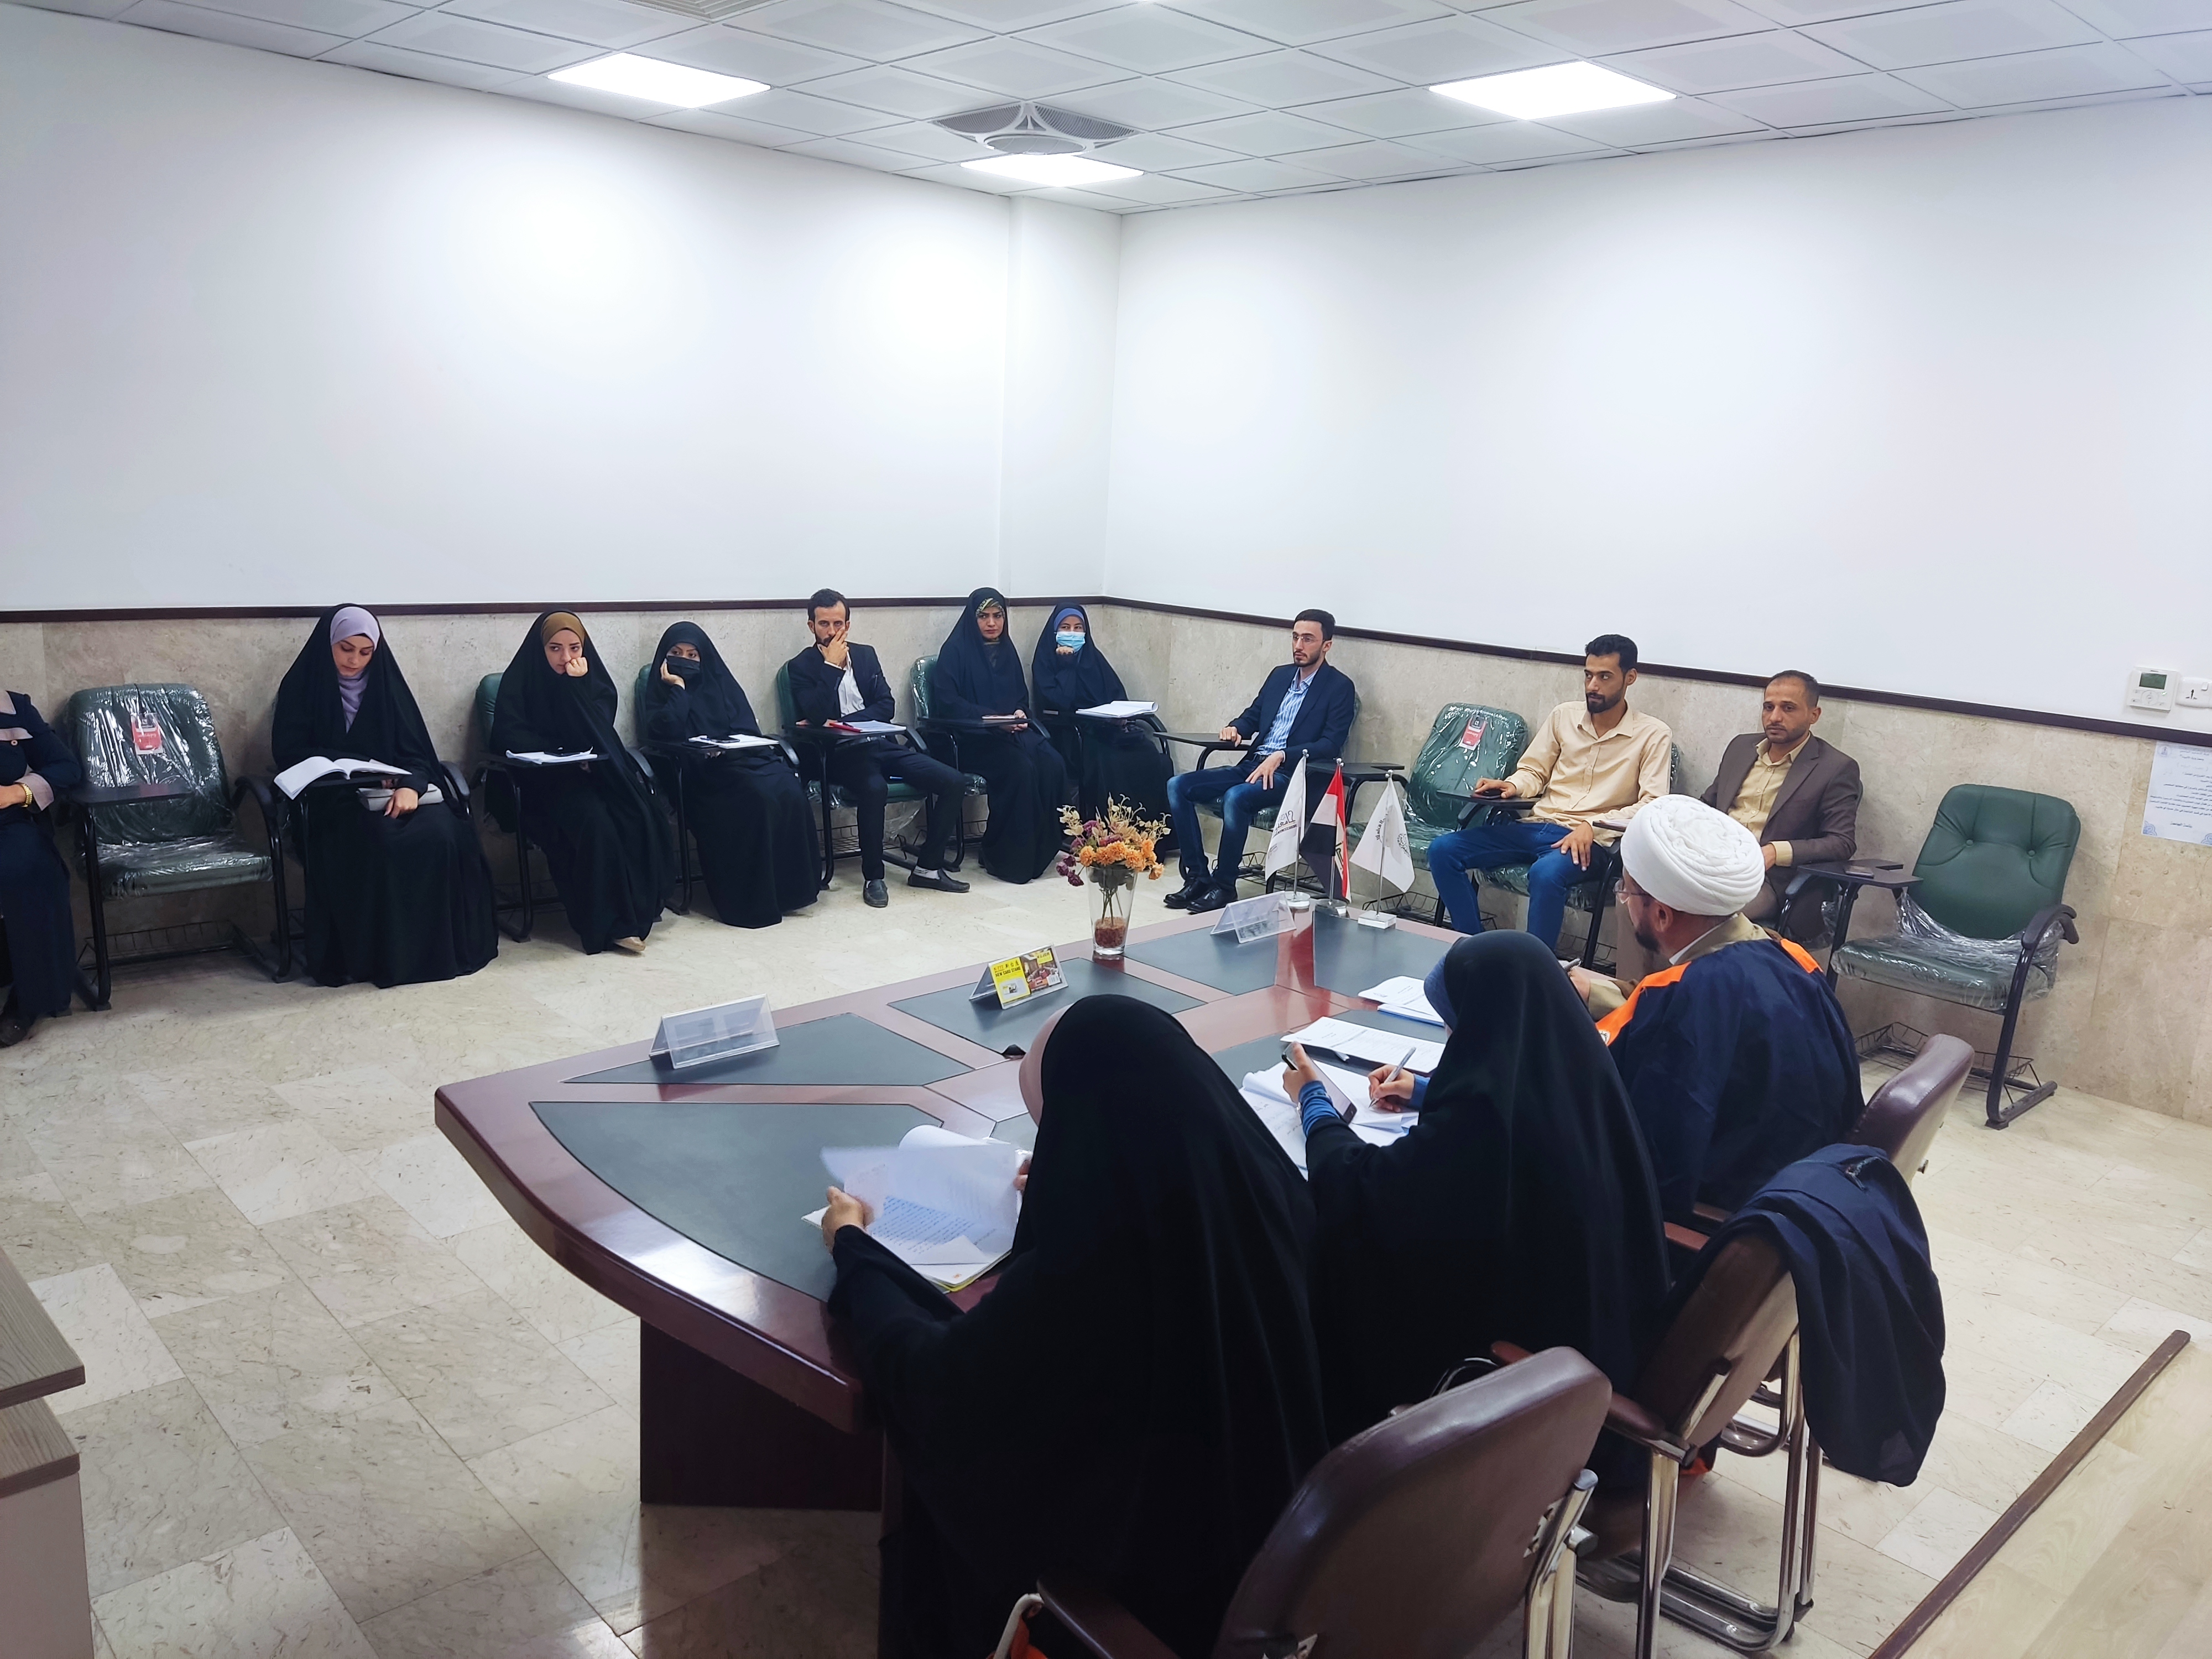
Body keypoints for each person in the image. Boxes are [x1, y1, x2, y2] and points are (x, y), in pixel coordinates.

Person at [821, 997, 1328, 1659]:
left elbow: (933, 1385)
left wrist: (855, 1249)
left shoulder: (1090, 1278)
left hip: (1145, 1596)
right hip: (1272, 1548)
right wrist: (1066, 1181)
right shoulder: (1272, 1196)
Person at [1286, 932, 1671, 1443]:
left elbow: (1368, 1190)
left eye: (1456, 1027)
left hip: (1528, 1391)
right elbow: (1517, 1108)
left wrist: (1314, 1101)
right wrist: (1426, 1091)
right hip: (1603, 1343)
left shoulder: (1476, 1133)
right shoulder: (1587, 1083)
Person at [1568, 794, 1863, 1223]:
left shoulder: (1682, 1000)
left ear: (1662, 915)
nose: (1625, 901)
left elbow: (1643, 1162)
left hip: (1725, 1224)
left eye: (1627, 891)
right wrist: (1596, 992)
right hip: (1807, 1197)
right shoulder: (1794, 960)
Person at [272, 607, 498, 988]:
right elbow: (289, 752)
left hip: (394, 793)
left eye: (365, 653)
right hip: (333, 803)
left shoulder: (386, 688)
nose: (354, 661)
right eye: (345, 649)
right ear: (328, 645)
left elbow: (416, 752)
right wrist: (349, 766)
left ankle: (436, 954)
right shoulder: (301, 687)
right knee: (381, 841)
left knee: (443, 833)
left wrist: (411, 785)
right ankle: (384, 958)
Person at [1423, 633, 1672, 950]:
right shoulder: (1563, 716)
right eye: (1588, 675)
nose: (1593, 686)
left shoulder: (1653, 734)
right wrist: (1513, 785)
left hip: (1589, 843)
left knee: (1545, 873)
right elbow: (1534, 770)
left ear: (1630, 678)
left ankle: (1534, 968)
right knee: (1443, 850)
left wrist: (1593, 826)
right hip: (1536, 826)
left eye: (1605, 677)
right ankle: (1475, 950)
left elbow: (1652, 804)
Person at [489, 612, 674, 955]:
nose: (566, 658)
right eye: (555, 649)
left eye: (575, 648)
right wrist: (560, 751)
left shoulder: (596, 686)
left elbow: (597, 732)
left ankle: (639, 909)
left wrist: (576, 688)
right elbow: (509, 737)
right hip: (542, 785)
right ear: (540, 650)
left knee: (635, 812)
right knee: (595, 822)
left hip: (593, 776)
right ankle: (609, 925)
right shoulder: (520, 683)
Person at [785, 589, 969, 910]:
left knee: (953, 781)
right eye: (824, 624)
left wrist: (843, 721)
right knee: (874, 788)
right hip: (838, 754)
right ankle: (874, 877)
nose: (832, 631)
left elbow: (886, 705)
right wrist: (831, 667)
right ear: (811, 625)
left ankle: (927, 868)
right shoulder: (801, 666)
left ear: (848, 625)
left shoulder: (866, 655)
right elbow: (815, 715)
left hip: (879, 743)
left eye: (838, 624)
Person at [1164, 609, 1355, 916]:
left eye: (1308, 639)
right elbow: (1254, 715)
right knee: (1178, 785)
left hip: (1293, 775)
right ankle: (1199, 877)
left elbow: (1331, 743)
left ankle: (1224, 885)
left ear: (1327, 645)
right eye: (1295, 637)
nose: (1299, 645)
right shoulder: (1280, 676)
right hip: (1253, 763)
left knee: (1237, 797)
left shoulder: (1339, 687)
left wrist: (1283, 755)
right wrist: (1236, 727)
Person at [639, 622, 818, 929]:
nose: (684, 660)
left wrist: (729, 747)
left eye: (692, 655)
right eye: (676, 654)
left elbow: (746, 728)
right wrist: (679, 689)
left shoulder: (720, 682)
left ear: (704, 658)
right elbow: (664, 731)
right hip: (698, 775)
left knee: (788, 788)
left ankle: (791, 893)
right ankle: (752, 902)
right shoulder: (660, 692)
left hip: (739, 761)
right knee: (756, 798)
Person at [1699, 671, 1861, 940]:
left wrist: (1776, 852)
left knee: (1697, 913)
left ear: (1814, 715)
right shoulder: (1741, 747)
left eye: (1788, 708)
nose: (1774, 717)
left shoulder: (1835, 768)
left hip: (1768, 881)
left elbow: (1842, 842)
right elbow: (1708, 805)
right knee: (1640, 897)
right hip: (1712, 862)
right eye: (1768, 707)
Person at [930, 588, 1071, 884]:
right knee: (1020, 769)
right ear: (972, 619)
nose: (992, 623)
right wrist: (991, 720)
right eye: (983, 616)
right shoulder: (955, 651)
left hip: (1009, 735)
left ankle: (1041, 849)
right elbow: (947, 703)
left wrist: (1019, 713)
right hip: (969, 739)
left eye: (998, 616)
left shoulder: (1007, 650)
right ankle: (1004, 855)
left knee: (1053, 763)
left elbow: (1020, 696)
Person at [1029, 603, 1172, 826]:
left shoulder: (1093, 658)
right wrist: (1067, 666)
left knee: (1151, 755)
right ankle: (1111, 831)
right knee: (1110, 760)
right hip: (1072, 734)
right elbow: (1060, 702)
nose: (1072, 633)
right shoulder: (1045, 662)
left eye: (1078, 628)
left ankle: (1151, 831)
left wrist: (1122, 716)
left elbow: (1117, 695)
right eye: (1065, 628)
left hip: (1108, 729)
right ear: (1054, 632)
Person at [0, 689, 82, 1046]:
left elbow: (66, 767)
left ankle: (27, 1002)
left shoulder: (15, 707)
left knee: (30, 868)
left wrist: (17, 793)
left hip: (8, 823)